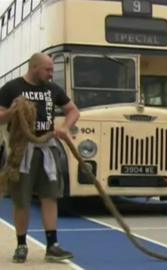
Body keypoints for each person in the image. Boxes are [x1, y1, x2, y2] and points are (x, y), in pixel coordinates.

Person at [0, 53, 80, 263]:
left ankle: (52, 245)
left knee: (49, 196)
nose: (51, 74)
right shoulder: (12, 88)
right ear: (34, 67)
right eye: (48, 70)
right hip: (21, 150)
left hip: (47, 148)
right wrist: (13, 111)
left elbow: (73, 111)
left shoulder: (53, 89)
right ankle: (21, 245)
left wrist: (64, 127)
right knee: (22, 200)